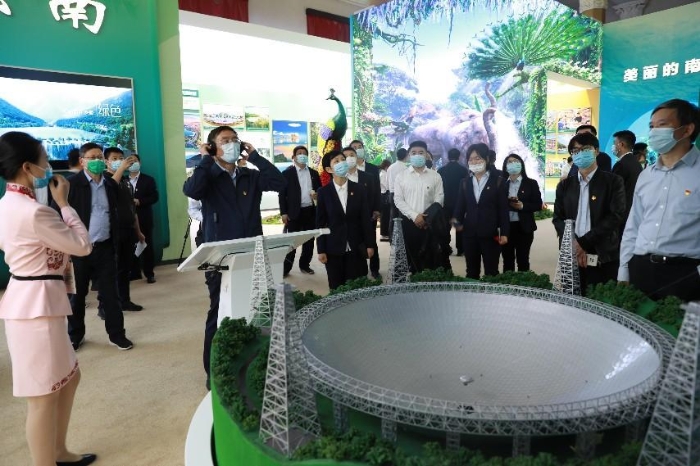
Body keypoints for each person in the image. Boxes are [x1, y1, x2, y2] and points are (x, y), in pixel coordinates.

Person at [0, 132, 96, 466]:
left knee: (69, 378)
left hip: (36, 301)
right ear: (28, 167)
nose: (49, 165)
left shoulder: (8, 205)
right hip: (35, 308)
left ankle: (58, 451)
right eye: (44, 159)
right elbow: (82, 246)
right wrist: (65, 204)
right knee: (42, 396)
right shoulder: (34, 212)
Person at [183, 125, 285, 389]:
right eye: (224, 140)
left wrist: (256, 157)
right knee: (219, 310)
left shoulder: (250, 176)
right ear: (212, 147)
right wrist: (205, 160)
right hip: (220, 257)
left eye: (234, 139)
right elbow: (192, 190)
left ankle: (249, 361)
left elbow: (280, 183)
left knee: (253, 306)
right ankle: (213, 369)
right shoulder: (207, 175)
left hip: (252, 252)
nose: (231, 144)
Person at [619, 99, 700, 301]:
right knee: (635, 322)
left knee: (679, 323)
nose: (654, 132)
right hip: (640, 269)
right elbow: (634, 225)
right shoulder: (646, 175)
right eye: (652, 126)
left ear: (687, 129)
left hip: (685, 275)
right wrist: (624, 269)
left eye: (662, 125)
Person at [62, 143, 134, 351]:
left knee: (111, 295)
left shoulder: (110, 184)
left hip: (105, 248)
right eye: (92, 157)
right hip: (78, 250)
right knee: (76, 296)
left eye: (100, 157)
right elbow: (58, 215)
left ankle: (117, 335)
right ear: (82, 161)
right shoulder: (70, 184)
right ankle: (75, 335)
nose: (97, 161)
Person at [553, 132, 625, 295]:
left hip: (602, 254)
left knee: (600, 301)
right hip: (571, 254)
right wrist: (573, 244)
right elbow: (558, 218)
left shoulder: (613, 182)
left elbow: (616, 216)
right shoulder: (564, 186)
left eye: (585, 149)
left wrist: (583, 243)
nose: (580, 153)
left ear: (596, 151)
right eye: (575, 151)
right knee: (570, 301)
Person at [316, 150, 375, 290]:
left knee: (358, 287)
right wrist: (321, 249)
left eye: (343, 159)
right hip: (333, 248)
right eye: (336, 161)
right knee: (337, 288)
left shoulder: (359, 189)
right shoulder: (323, 193)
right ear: (329, 169)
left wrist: (370, 244)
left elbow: (365, 220)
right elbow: (320, 223)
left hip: (356, 246)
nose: (342, 162)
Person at [452, 143, 509, 278]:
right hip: (469, 234)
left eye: (477, 158)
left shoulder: (498, 181)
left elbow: (503, 210)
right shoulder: (465, 182)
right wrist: (456, 221)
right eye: (470, 159)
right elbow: (460, 207)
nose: (474, 162)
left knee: (491, 271)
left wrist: (505, 233)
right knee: (471, 272)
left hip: (491, 234)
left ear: (486, 159)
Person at [104, 147, 145, 313]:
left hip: (128, 229)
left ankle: (124, 300)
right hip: (113, 231)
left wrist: (138, 231)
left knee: (124, 268)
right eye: (114, 158)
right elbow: (110, 189)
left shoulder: (126, 182)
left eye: (121, 158)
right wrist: (121, 169)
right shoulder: (106, 180)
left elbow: (132, 209)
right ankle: (107, 306)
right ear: (106, 161)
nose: (119, 161)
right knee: (111, 270)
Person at [394, 141, 445, 273]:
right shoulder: (401, 176)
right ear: (409, 155)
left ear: (427, 155)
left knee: (430, 259)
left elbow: (439, 199)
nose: (417, 155)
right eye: (414, 153)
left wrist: (427, 218)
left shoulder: (435, 176)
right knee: (410, 258)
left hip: (429, 224)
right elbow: (398, 200)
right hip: (408, 223)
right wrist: (415, 216)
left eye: (421, 152)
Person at [279, 145, 321, 277]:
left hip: (310, 212)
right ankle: (286, 268)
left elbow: (320, 190)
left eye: (304, 153)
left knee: (309, 241)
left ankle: (305, 265)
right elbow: (282, 195)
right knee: (291, 242)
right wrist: (283, 212)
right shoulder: (287, 174)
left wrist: (317, 195)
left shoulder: (314, 173)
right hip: (293, 213)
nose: (302, 155)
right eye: (299, 153)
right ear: (294, 157)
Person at [344, 146, 381, 279]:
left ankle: (374, 269)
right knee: (352, 244)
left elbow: (376, 193)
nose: (349, 158)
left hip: (368, 216)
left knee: (371, 242)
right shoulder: (340, 177)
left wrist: (376, 209)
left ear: (356, 157)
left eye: (352, 155)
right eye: (346, 156)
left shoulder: (368, 177)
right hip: (348, 219)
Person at [500, 153, 542, 272]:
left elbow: (538, 204)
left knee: (523, 259)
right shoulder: (501, 183)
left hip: (524, 227)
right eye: (509, 162)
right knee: (507, 260)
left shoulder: (531, 183)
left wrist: (522, 206)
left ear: (521, 165)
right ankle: (508, 282)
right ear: (505, 167)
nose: (513, 164)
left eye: (516, 161)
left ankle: (523, 283)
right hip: (506, 228)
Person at [128, 153, 159, 283]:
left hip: (144, 218)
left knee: (147, 246)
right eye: (130, 161)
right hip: (128, 220)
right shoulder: (123, 180)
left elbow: (154, 197)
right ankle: (134, 272)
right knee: (130, 246)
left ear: (140, 163)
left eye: (135, 161)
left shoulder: (148, 180)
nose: (133, 163)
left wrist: (140, 201)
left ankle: (149, 273)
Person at [438, 148, 468, 256]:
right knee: (459, 225)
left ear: (448, 156)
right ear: (459, 157)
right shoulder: (463, 170)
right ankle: (460, 249)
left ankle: (446, 248)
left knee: (445, 227)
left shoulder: (441, 170)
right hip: (459, 203)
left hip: (445, 202)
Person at [611, 130, 642, 234]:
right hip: (632, 212)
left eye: (614, 143)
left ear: (621, 144)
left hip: (622, 215)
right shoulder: (635, 162)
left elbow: (614, 191)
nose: (613, 147)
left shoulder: (621, 164)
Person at [387, 148, 409, 241]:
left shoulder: (391, 167)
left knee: (393, 216)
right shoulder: (405, 168)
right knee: (402, 217)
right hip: (402, 194)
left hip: (391, 193)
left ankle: (392, 238)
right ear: (406, 156)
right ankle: (401, 239)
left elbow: (387, 181)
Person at [378, 159, 392, 241]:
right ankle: (384, 234)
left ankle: (386, 233)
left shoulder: (384, 173)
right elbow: (386, 186)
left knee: (386, 215)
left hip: (385, 195)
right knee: (385, 216)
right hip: (384, 195)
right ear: (386, 167)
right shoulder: (383, 174)